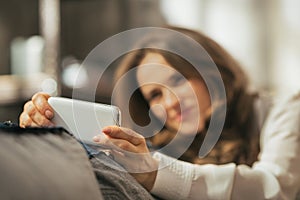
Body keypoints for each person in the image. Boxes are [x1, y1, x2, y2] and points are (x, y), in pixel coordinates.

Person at [19, 26, 300, 199]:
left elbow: (274, 188)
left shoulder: (284, 110)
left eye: (177, 80)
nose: (170, 102)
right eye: (154, 94)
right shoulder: (158, 148)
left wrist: (156, 173)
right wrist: (46, 132)